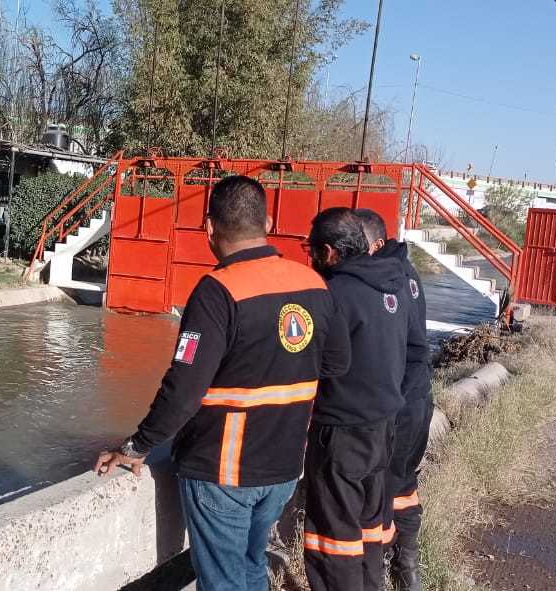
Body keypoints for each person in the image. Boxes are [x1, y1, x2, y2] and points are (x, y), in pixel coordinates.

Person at [94, 175, 349, 591]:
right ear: (267, 222)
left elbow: (183, 389)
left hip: (225, 472)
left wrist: (135, 447)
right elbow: (338, 364)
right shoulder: (314, 285)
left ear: (209, 228)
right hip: (284, 468)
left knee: (225, 581)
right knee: (252, 568)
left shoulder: (218, 291)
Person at [302, 207, 409, 591]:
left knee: (333, 537)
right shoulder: (392, 284)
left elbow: (325, 364)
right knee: (368, 527)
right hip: (383, 428)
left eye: (311, 251)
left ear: (329, 252)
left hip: (342, 431)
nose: (311, 259)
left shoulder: (333, 294)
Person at [355, 209, 432, 591]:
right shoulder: (407, 273)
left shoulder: (379, 281)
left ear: (377, 244)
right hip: (419, 398)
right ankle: (408, 572)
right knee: (403, 484)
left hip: (396, 405)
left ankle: (378, 576)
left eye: (357, 244)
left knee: (381, 495)